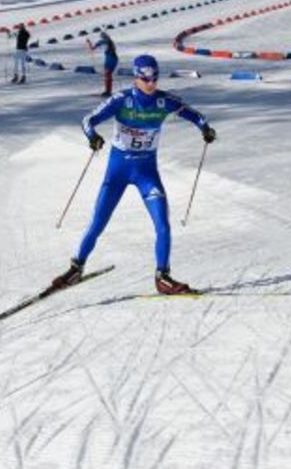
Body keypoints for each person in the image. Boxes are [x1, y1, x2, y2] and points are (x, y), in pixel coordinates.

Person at [52, 54, 217, 295]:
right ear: (136, 78)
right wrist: (93, 137)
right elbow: (88, 120)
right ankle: (76, 267)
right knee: (98, 222)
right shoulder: (122, 100)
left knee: (163, 224)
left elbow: (195, 115)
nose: (151, 84)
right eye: (146, 79)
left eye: (155, 79)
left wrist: (205, 128)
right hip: (118, 172)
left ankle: (163, 277)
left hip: (146, 173)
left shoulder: (163, 101)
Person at [87, 31, 119, 97]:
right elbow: (92, 48)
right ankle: (108, 91)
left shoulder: (109, 42)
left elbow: (92, 48)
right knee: (107, 75)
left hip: (111, 59)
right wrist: (89, 43)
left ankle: (108, 91)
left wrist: (89, 43)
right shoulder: (105, 41)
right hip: (109, 59)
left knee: (108, 74)